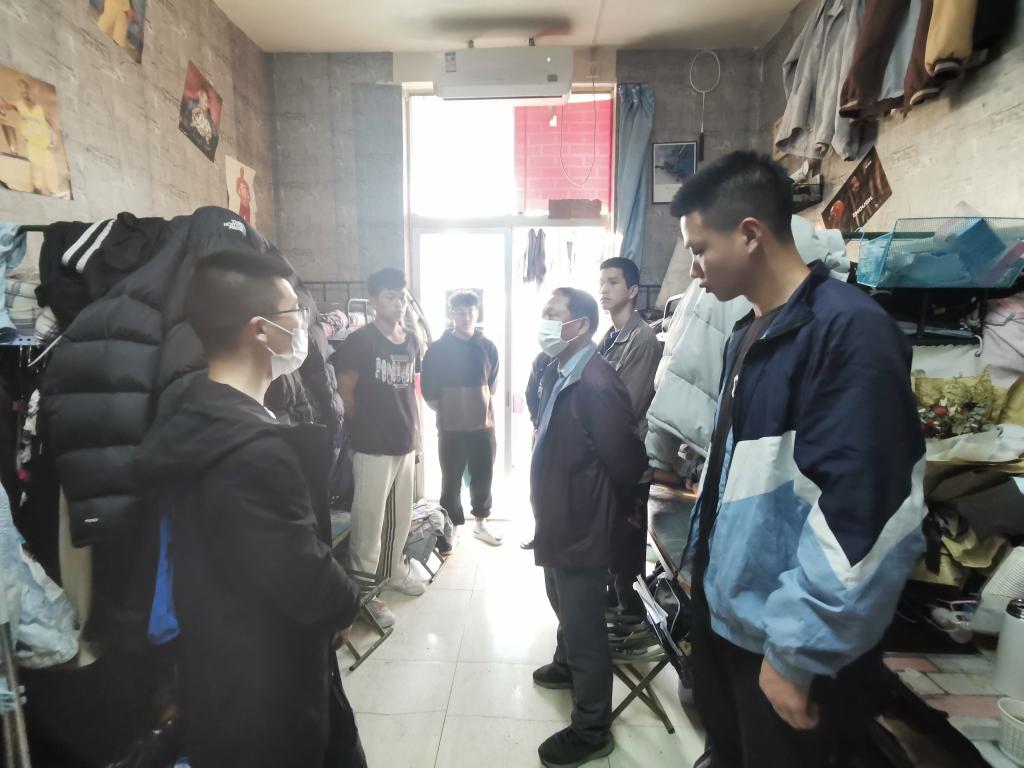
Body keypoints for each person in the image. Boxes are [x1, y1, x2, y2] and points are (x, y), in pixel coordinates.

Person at [673, 151, 925, 768]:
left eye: (700, 249)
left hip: (787, 644)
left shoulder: (848, 332)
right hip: (732, 623)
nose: (694, 269)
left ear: (749, 234)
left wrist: (798, 650)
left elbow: (866, 511)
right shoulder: (746, 332)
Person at [136, 248, 366, 768]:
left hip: (221, 662)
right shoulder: (251, 449)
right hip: (265, 683)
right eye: (295, 313)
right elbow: (300, 570)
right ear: (261, 329)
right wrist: (345, 603)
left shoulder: (194, 410)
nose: (304, 325)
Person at [530, 287, 647, 768]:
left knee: (585, 626)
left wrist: (607, 517)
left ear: (578, 325)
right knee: (562, 600)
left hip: (583, 524)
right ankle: (566, 664)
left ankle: (592, 728)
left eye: (552, 314)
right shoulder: (560, 371)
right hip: (560, 517)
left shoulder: (596, 381)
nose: (544, 321)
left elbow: (626, 460)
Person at [334, 267, 424, 629]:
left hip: (404, 442)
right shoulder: (360, 341)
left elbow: (411, 391)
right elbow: (345, 391)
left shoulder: (410, 339)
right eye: (390, 296)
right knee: (368, 523)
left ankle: (393, 571)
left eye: (402, 297)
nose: (399, 304)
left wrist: (416, 437)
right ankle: (363, 596)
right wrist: (364, 428)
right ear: (373, 301)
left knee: (400, 519)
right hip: (372, 445)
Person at [596, 257, 661, 616]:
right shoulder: (609, 338)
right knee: (609, 542)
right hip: (608, 460)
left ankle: (633, 617)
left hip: (627, 463)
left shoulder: (643, 339)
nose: (604, 289)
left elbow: (626, 409)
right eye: (602, 282)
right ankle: (614, 605)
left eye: (613, 282)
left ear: (633, 290)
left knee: (626, 548)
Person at [421, 290, 503, 548]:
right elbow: (428, 389)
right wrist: (450, 409)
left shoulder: (488, 346)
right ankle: (452, 526)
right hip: (451, 429)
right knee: (450, 480)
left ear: (477, 313)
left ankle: (480, 523)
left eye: (470, 311)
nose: (466, 316)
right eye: (460, 311)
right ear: (451, 314)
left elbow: (492, 386)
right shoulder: (438, 349)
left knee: (483, 476)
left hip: (483, 427)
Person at [0, 79, 60, 195]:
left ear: (30, 91)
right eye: (22, 92)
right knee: (37, 179)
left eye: (26, 91)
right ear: (19, 93)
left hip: (46, 145)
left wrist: (55, 141)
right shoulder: (18, 105)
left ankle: (54, 192)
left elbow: (53, 124)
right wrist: (3, 104)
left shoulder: (40, 108)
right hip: (32, 145)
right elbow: (6, 106)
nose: (25, 94)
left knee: (52, 174)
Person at [180, 85, 219, 158]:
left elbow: (213, 134)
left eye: (206, 102)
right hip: (192, 137)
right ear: (199, 96)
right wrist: (191, 124)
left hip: (204, 144)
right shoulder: (191, 105)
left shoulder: (208, 115)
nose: (205, 104)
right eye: (204, 100)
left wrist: (209, 136)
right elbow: (183, 120)